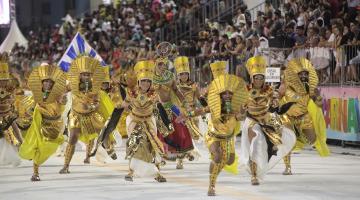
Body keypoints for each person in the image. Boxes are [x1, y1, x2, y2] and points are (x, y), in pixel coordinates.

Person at [239, 56, 296, 185]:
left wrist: (275, 103)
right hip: (251, 122)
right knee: (254, 145)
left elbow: (275, 105)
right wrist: (242, 108)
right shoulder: (244, 91)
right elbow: (240, 113)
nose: (259, 80)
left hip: (267, 121)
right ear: (252, 78)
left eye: (261, 77)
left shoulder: (270, 90)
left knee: (264, 147)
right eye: (256, 77)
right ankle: (254, 176)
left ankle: (271, 149)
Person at [59, 56, 116, 174]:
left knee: (104, 129)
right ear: (79, 75)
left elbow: (97, 103)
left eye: (88, 75)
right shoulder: (73, 84)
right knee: (73, 137)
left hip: (91, 115)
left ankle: (108, 147)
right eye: (84, 74)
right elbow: (61, 92)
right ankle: (66, 165)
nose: (86, 77)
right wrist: (62, 97)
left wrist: (90, 107)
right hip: (75, 115)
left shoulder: (95, 87)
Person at [280, 57, 330, 175]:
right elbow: (276, 100)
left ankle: (298, 138)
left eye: (305, 74)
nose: (303, 76)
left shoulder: (311, 88)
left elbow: (318, 104)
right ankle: (288, 167)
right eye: (301, 73)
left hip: (303, 117)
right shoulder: (286, 86)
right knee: (287, 141)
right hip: (287, 117)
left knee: (313, 139)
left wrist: (318, 98)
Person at [19, 64, 67, 181]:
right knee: (38, 147)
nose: (48, 84)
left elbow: (61, 106)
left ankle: (36, 166)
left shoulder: (57, 95)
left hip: (54, 127)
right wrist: (33, 108)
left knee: (49, 148)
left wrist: (63, 101)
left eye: (50, 83)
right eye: (46, 82)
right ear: (41, 83)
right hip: (39, 125)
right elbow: (29, 109)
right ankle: (35, 173)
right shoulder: (36, 96)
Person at [121, 60, 167, 182]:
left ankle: (157, 173)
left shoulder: (154, 93)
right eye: (143, 81)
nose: (146, 83)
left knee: (153, 145)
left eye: (148, 81)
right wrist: (128, 107)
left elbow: (163, 104)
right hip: (134, 120)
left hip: (149, 121)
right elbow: (124, 104)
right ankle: (131, 171)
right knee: (135, 143)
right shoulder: (132, 92)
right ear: (139, 81)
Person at [0, 53, 23, 167]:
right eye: (1, 80)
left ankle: (19, 148)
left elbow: (17, 88)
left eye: (5, 79)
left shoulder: (9, 87)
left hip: (8, 115)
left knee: (14, 132)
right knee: (6, 138)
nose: (3, 82)